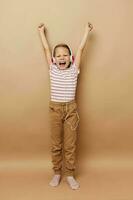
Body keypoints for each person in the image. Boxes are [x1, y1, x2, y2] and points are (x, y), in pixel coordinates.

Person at [38, 22, 93, 190]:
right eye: (59, 56)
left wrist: (86, 31)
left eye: (65, 55)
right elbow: (47, 50)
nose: (62, 58)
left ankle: (69, 174)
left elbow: (81, 50)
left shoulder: (74, 69)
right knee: (56, 144)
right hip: (55, 109)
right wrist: (41, 33)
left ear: (71, 58)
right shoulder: (53, 69)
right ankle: (56, 172)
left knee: (70, 145)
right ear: (54, 60)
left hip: (71, 111)